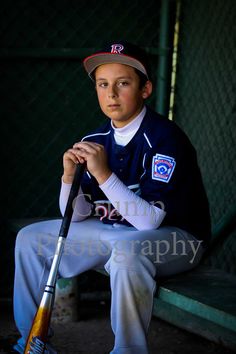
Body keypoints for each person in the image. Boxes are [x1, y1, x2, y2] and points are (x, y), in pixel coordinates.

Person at [13, 41, 211, 354]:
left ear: (145, 89)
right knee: (30, 238)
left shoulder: (165, 138)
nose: (111, 94)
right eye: (103, 84)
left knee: (126, 250)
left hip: (178, 240)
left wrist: (104, 174)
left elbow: (149, 221)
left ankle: (128, 350)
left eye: (123, 83)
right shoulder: (94, 138)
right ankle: (32, 342)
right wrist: (68, 179)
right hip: (118, 234)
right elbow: (74, 215)